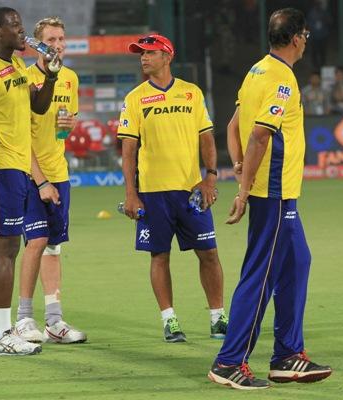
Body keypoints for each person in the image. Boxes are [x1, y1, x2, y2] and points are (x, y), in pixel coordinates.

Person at [208, 8, 332, 390]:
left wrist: (240, 167)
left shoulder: (256, 71)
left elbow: (233, 127)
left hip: (279, 194)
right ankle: (229, 362)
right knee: (259, 275)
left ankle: (287, 356)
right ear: (297, 38)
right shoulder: (282, 79)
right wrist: (244, 190)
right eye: (305, 35)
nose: (306, 41)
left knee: (298, 262)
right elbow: (260, 134)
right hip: (271, 193)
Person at [0, 7, 60, 355]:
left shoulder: (17, 66)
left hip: (15, 168)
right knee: (7, 248)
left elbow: (39, 107)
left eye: (21, 25)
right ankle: (3, 333)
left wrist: (49, 76)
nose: (22, 31)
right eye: (15, 26)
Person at [117, 34, 228, 343]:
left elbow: (206, 138)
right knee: (159, 256)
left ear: (167, 56)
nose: (143, 58)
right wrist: (130, 192)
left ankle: (218, 317)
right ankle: (170, 320)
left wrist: (211, 177)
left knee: (208, 253)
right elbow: (128, 150)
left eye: (149, 52)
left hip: (191, 191)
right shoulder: (135, 98)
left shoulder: (191, 94)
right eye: (141, 53)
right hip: (152, 194)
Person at [14, 17, 86, 345]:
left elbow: (58, 131)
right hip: (31, 175)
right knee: (35, 242)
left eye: (62, 39)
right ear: (39, 44)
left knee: (54, 246)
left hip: (60, 173)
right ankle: (24, 318)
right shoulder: (23, 79)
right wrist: (41, 180)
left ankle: (54, 322)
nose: (58, 45)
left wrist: (66, 127)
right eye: (51, 39)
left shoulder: (69, 78)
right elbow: (20, 138)